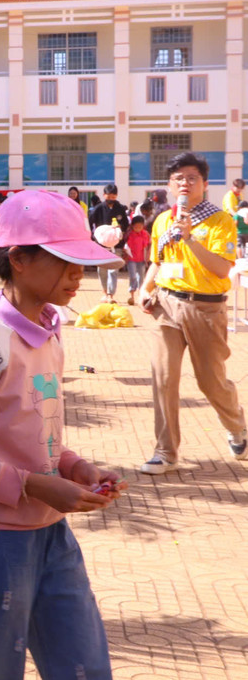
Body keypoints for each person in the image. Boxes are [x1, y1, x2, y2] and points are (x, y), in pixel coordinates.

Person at [0, 190, 123, 680]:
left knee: (84, 665)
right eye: (65, 261)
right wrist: (30, 484)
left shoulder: (49, 328)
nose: (78, 275)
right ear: (19, 261)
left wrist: (73, 467)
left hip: (50, 533)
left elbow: (37, 427)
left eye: (81, 263)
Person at [135, 151, 248, 474]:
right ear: (170, 185)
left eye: (191, 178)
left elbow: (223, 269)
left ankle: (237, 424)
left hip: (205, 308)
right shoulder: (163, 219)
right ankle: (165, 451)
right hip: (166, 304)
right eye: (178, 178)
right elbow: (158, 261)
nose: (184, 183)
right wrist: (146, 290)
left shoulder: (219, 220)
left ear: (205, 184)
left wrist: (190, 239)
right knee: (163, 378)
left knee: (210, 382)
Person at [125, 215, 151, 304]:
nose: (138, 229)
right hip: (131, 258)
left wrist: (148, 256)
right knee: (132, 276)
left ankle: (140, 295)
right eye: (136, 227)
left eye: (140, 227)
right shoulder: (129, 234)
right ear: (132, 226)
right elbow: (126, 246)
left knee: (141, 277)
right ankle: (131, 295)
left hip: (142, 259)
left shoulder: (145, 234)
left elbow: (149, 245)